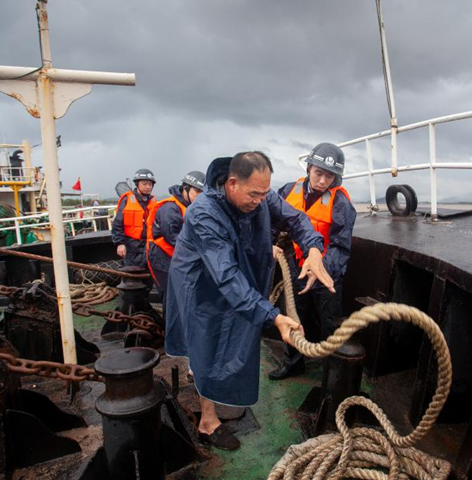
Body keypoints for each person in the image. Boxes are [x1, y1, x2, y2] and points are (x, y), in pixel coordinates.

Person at [165, 151, 335, 451]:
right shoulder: (203, 212)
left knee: (237, 329)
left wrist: (312, 250)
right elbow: (226, 277)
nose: (260, 202)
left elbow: (295, 218)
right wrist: (274, 317)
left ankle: (213, 386)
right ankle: (207, 421)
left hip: (233, 272)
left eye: (265, 194)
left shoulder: (260, 194)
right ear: (232, 183)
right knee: (207, 340)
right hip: (201, 283)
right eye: (254, 195)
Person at [269, 142, 356, 380]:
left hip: (327, 273)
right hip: (296, 266)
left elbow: (340, 246)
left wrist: (319, 271)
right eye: (318, 173)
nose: (322, 181)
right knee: (294, 317)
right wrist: (270, 242)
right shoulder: (289, 190)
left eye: (329, 176)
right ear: (308, 168)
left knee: (330, 323)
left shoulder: (341, 204)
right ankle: (293, 364)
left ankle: (332, 372)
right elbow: (273, 221)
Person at [145, 170, 205, 318]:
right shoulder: (170, 209)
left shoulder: (190, 207)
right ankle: (170, 334)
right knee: (171, 296)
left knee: (182, 295)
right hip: (162, 260)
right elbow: (174, 238)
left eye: (202, 192)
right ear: (185, 188)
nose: (200, 196)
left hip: (176, 257)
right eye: (197, 191)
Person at [112, 169, 157, 268]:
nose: (148, 187)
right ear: (137, 184)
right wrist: (120, 243)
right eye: (144, 184)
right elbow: (118, 223)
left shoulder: (152, 201)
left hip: (148, 245)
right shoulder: (127, 200)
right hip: (131, 246)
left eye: (150, 184)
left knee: (149, 273)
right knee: (133, 276)